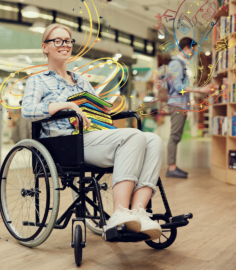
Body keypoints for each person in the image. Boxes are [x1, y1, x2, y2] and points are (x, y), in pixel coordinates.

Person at [21, 23, 164, 240]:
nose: (64, 45)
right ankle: (119, 212)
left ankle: (138, 212)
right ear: (45, 47)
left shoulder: (81, 81)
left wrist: (101, 107)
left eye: (68, 41)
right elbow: (28, 110)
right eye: (57, 41)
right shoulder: (38, 80)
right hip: (64, 143)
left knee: (153, 139)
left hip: (90, 136)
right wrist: (65, 106)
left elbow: (94, 112)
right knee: (133, 135)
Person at [166, 37, 216, 179]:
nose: (193, 54)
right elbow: (178, 87)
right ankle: (171, 168)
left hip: (179, 104)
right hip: (177, 104)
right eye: (193, 51)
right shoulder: (176, 64)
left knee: (176, 136)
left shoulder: (180, 64)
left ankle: (172, 166)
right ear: (187, 48)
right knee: (174, 136)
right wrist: (200, 90)